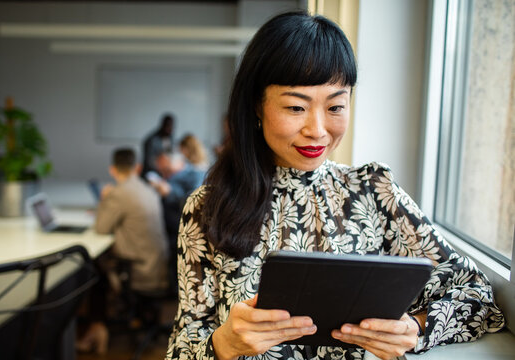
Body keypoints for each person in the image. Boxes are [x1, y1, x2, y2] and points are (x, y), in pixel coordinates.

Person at [165, 11, 505, 360]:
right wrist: (222, 344)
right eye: (296, 107)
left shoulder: (373, 193)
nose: (317, 129)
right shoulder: (207, 206)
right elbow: (181, 343)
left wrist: (415, 327)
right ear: (257, 106)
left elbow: (476, 295)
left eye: (336, 106)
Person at [78, 147, 169, 354]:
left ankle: (97, 329)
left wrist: (104, 199)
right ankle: (99, 327)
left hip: (138, 272)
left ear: (112, 170)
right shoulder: (148, 189)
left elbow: (101, 228)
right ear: (137, 168)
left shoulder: (118, 193)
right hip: (159, 267)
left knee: (92, 270)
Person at [149, 148, 206, 292]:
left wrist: (169, 192)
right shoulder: (172, 176)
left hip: (185, 230)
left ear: (178, 162)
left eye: (166, 170)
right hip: (167, 228)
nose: (164, 174)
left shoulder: (194, 174)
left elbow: (195, 202)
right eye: (162, 171)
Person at [141, 113, 175, 179]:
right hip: (151, 173)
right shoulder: (151, 140)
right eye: (167, 126)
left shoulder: (170, 138)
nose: (170, 129)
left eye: (171, 126)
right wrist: (162, 169)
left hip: (167, 173)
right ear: (162, 125)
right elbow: (149, 161)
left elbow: (170, 155)